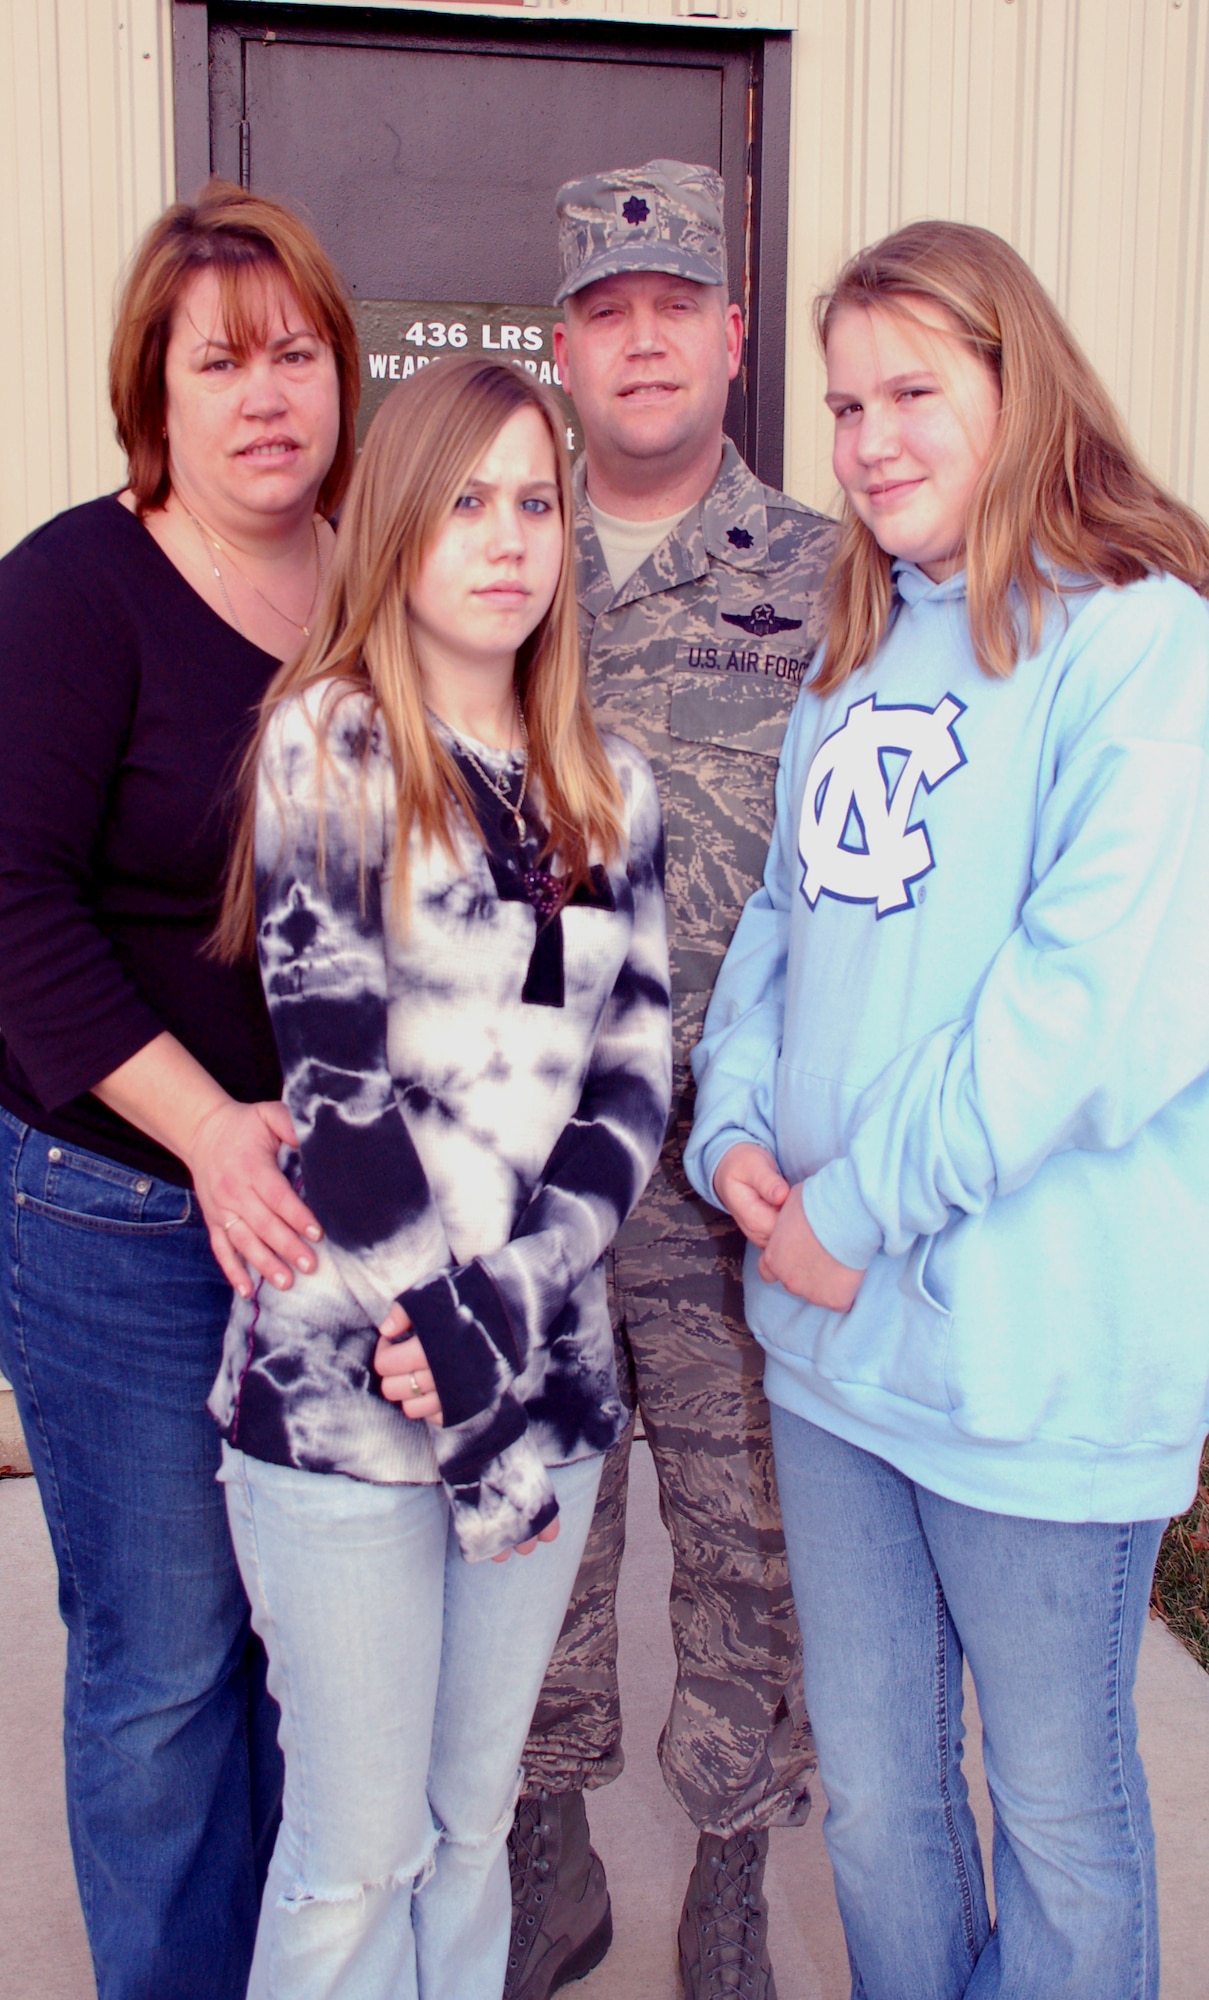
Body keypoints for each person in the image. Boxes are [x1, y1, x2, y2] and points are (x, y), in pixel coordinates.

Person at [686, 219, 1209, 2000]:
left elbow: (1086, 1016)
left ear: (1021, 384)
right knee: (880, 1797)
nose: (870, 440)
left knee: (1056, 1812)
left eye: (914, 391)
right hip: (835, 1353)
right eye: (842, 404)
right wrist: (734, 1130)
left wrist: (848, 1208)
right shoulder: (854, 650)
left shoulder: (1143, 649)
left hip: (1026, 1356)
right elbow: (777, 927)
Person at [208, 349, 672, 2000]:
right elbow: (334, 1093)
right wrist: (438, 1333)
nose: (507, 539)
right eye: (465, 501)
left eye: (535, 503)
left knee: (471, 1831)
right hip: (347, 1396)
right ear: (398, 524)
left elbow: (630, 1091)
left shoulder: (607, 793)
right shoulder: (328, 745)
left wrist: (510, 1317)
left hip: (545, 1396)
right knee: (354, 1862)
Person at [0, 179, 360, 1999]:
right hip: (122, 1207)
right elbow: (10, 903)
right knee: (163, 1660)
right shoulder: (71, 593)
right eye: (218, 363)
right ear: (153, 390)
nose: (264, 396)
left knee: (321, 1646)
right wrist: (210, 1130)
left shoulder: (380, 570)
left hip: (336, 1221)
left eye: (295, 353)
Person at [506, 161, 837, 2000]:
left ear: (727, 337)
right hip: (535, 1149)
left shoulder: (825, 574)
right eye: (603, 311)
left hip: (728, 1163)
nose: (639, 339)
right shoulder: (496, 538)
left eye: (672, 307)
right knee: (539, 1522)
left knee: (747, 1541)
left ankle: (726, 1869)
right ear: (562, 348)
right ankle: (546, 1855)